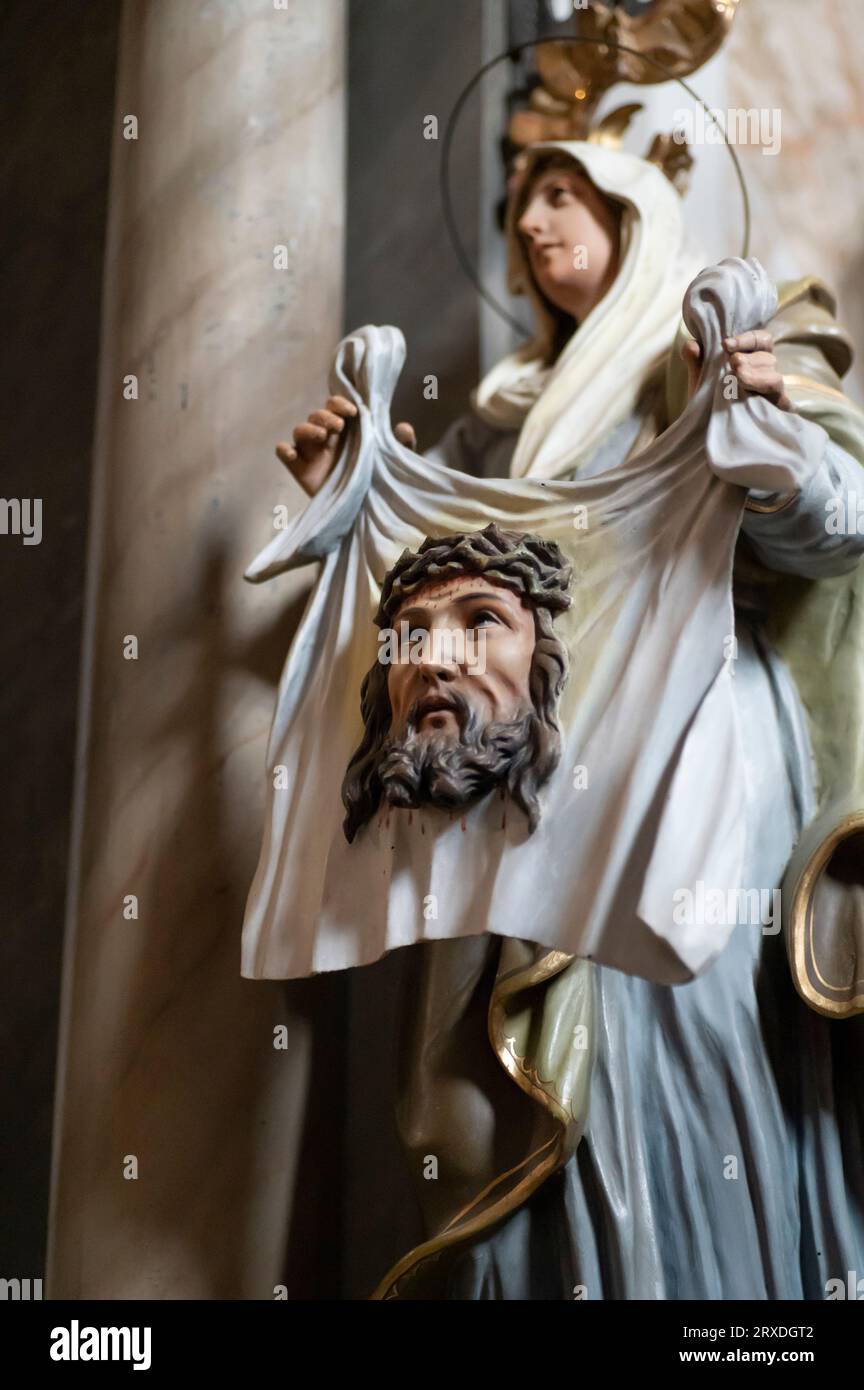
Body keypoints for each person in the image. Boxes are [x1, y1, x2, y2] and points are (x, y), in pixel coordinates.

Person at [275, 140, 864, 1299]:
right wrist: (354, 491)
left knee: (692, 1041)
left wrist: (767, 445)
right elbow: (418, 585)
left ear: (635, 210)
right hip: (524, 780)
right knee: (514, 1098)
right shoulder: (501, 427)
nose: (534, 227)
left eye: (561, 194)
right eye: (516, 211)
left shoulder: (726, 342)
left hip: (698, 742)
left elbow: (842, 525)